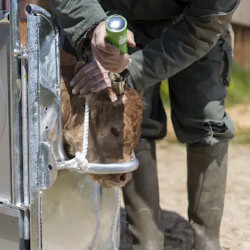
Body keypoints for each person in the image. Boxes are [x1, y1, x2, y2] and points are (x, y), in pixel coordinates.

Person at [47, 1, 239, 249]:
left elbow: (204, 27)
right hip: (117, 20)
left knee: (207, 122)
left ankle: (207, 241)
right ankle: (147, 241)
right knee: (134, 119)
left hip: (195, 26)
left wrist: (131, 73)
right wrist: (92, 24)